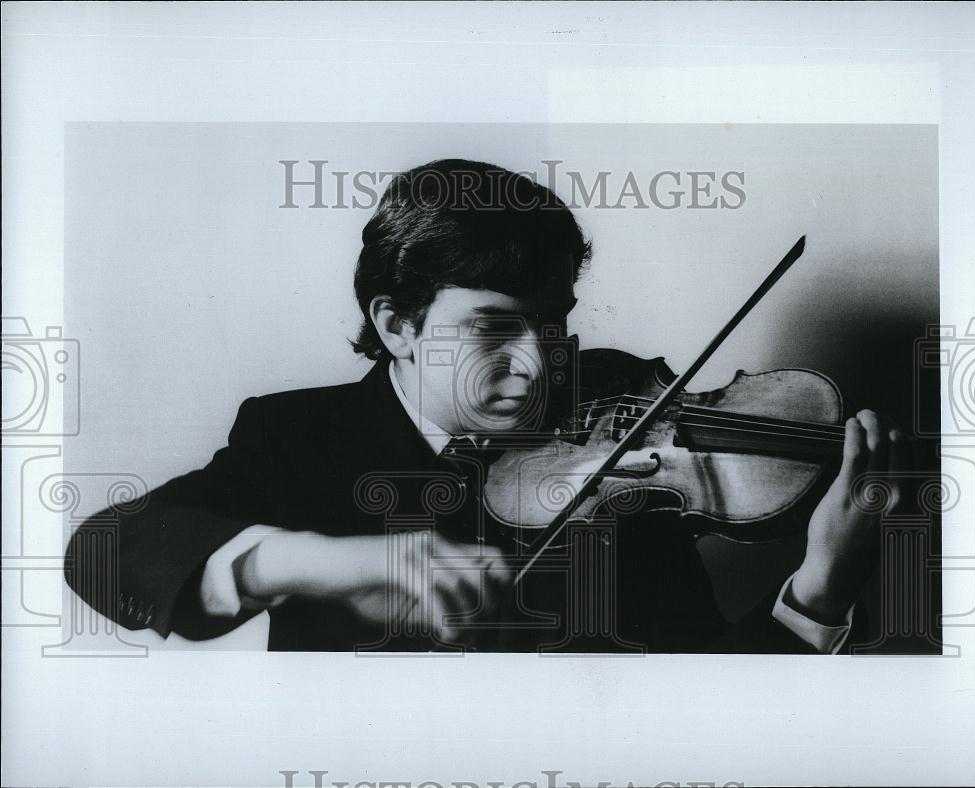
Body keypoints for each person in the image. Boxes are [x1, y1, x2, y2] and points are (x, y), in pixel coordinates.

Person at [64, 159, 908, 653]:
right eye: (493, 329)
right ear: (397, 325)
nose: (541, 365)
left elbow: (708, 699)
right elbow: (104, 554)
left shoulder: (628, 445)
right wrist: (306, 561)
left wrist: (823, 588)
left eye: (553, 324)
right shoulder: (298, 438)